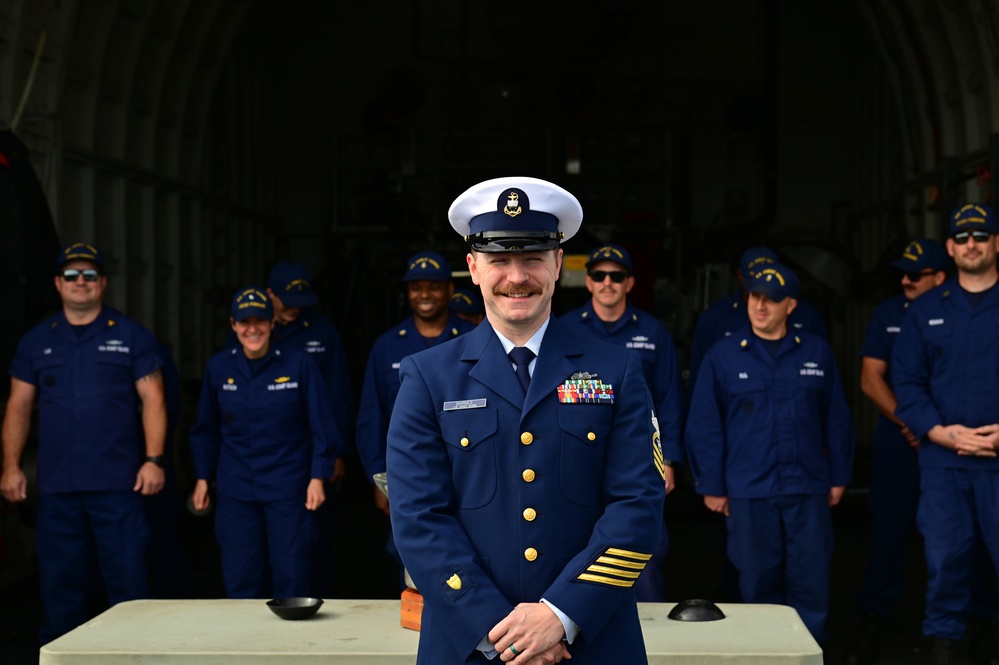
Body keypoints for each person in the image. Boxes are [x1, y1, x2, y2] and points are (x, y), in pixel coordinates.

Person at [387, 177, 666, 663]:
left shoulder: (617, 371)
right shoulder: (427, 378)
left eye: (533, 258)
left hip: (591, 642)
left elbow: (638, 505)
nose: (517, 276)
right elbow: (417, 520)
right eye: (498, 260)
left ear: (559, 265)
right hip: (470, 644)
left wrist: (560, 615)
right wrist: (499, 631)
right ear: (472, 269)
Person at [0, 242, 167, 644]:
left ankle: (132, 654)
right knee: (60, 584)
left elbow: (154, 399)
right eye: (72, 275)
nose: (81, 283)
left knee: (127, 580)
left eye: (89, 276)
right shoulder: (37, 341)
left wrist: (154, 459)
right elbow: (18, 406)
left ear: (102, 283)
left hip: (118, 484)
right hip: (57, 488)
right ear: (58, 284)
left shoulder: (130, 336)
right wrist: (10, 466)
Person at [685, 262, 854, 644]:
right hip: (748, 491)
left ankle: (806, 655)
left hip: (807, 487)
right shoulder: (723, 356)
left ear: (790, 306)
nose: (760, 307)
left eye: (771, 300)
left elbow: (837, 420)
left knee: (810, 582)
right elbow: (704, 425)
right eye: (755, 297)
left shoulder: (816, 353)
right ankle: (763, 654)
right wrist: (711, 484)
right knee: (757, 584)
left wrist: (840, 475)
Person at [892, 203, 999, 665]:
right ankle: (944, 646)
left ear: (997, 244)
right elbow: (907, 380)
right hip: (943, 462)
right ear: (952, 249)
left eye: (981, 235)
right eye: (963, 238)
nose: (972, 244)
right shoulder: (926, 310)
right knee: (945, 563)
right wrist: (938, 431)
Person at [189, 287, 339, 599]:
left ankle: (292, 645)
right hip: (236, 491)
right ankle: (246, 644)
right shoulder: (219, 368)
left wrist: (317, 477)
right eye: (244, 322)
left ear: (272, 324)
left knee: (292, 574)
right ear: (233, 325)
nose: (252, 329)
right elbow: (205, 429)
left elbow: (321, 425)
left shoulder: (299, 364)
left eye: (260, 321)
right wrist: (202, 478)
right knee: (241, 575)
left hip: (289, 489)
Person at [562, 242, 684, 602]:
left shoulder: (654, 332)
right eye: (599, 275)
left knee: (641, 548)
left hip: (638, 456)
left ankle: (646, 645)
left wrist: (670, 460)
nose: (607, 283)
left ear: (630, 283)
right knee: (572, 545)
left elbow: (669, 399)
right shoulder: (564, 329)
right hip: (578, 455)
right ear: (588, 282)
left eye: (616, 276)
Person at [356, 251, 476, 512]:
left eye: (434, 287)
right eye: (416, 287)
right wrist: (378, 478)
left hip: (472, 475)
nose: (424, 295)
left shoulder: (476, 339)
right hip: (407, 477)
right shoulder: (386, 346)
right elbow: (372, 417)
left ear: (450, 289)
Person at [265, 261, 352, 597]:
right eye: (286, 302)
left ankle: (318, 599)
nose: (293, 309)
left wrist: (339, 451)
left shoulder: (321, 332)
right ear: (270, 295)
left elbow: (338, 392)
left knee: (313, 536)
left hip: (315, 451)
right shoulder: (256, 329)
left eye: (300, 302)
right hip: (270, 449)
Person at [688, 245, 828, 387]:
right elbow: (700, 392)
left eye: (770, 280)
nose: (761, 305)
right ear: (740, 276)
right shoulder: (714, 326)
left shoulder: (810, 324)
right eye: (755, 290)